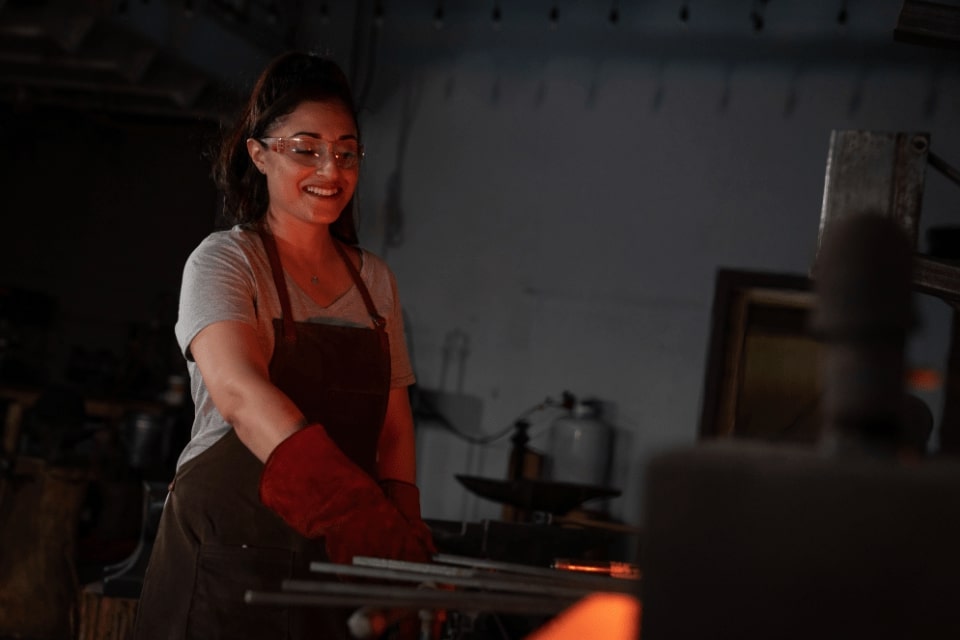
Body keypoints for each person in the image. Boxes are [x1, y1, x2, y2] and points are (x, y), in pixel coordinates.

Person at [133, 51, 435, 639]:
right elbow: (241, 395)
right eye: (306, 149)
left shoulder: (375, 282)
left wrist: (402, 534)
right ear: (259, 154)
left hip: (331, 567)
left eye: (346, 153)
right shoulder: (225, 261)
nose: (330, 169)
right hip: (225, 554)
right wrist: (352, 511)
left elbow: (394, 428)